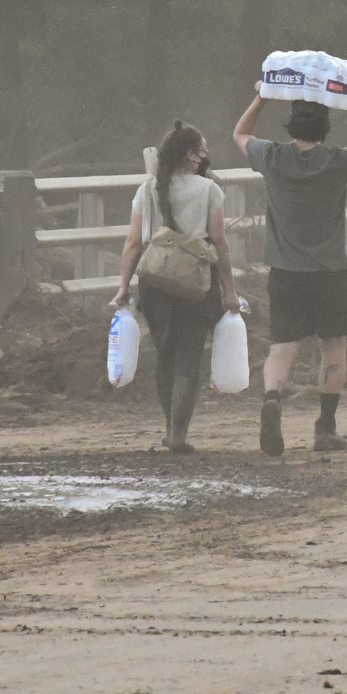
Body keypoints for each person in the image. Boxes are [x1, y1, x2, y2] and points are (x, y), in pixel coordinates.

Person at [233, 89, 347, 455]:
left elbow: (240, 134)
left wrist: (260, 99)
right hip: (331, 270)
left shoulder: (271, 157)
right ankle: (325, 428)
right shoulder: (337, 161)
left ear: (291, 125)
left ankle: (272, 398)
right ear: (325, 128)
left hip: (286, 270)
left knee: (282, 345)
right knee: (333, 346)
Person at [110, 122, 238, 454]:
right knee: (189, 355)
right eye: (203, 151)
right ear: (190, 155)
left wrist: (123, 286)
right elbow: (219, 241)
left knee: (164, 353)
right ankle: (179, 433)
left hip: (154, 282)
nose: (205, 157)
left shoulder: (147, 189)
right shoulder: (209, 190)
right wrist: (229, 289)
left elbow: (133, 242)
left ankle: (169, 429)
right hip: (196, 282)